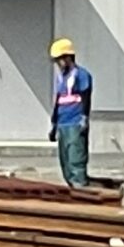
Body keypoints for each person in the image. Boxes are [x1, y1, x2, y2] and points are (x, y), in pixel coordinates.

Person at [51, 36, 94, 189]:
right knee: (65, 162)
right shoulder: (61, 78)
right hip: (63, 122)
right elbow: (58, 100)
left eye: (60, 59)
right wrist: (54, 124)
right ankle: (71, 185)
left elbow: (85, 97)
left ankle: (80, 186)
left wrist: (84, 117)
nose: (58, 64)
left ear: (68, 57)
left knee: (76, 158)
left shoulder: (81, 75)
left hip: (75, 122)